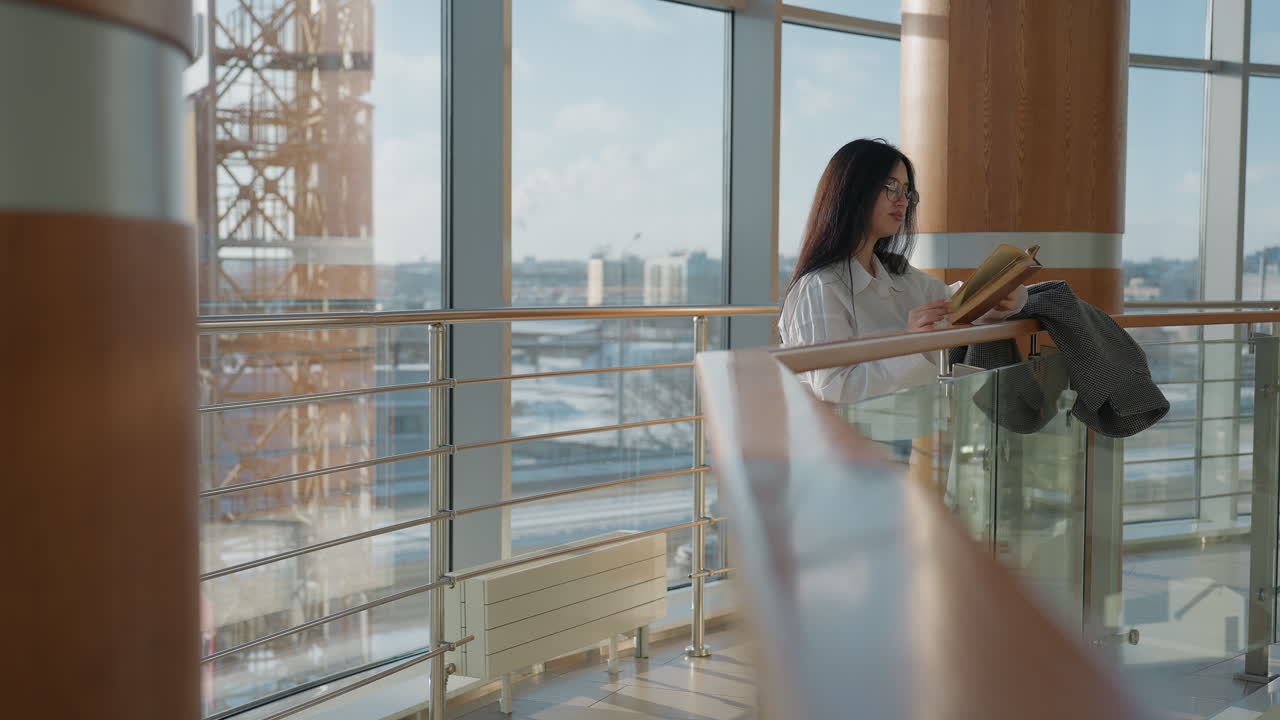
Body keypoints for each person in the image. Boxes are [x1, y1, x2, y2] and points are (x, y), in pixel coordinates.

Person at [778, 138, 1026, 404]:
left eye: (907, 191)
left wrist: (1006, 298)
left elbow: (955, 303)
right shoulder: (820, 285)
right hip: (838, 442)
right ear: (854, 190)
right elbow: (833, 388)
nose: (903, 202)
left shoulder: (897, 273)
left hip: (896, 435)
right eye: (891, 187)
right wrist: (911, 345)